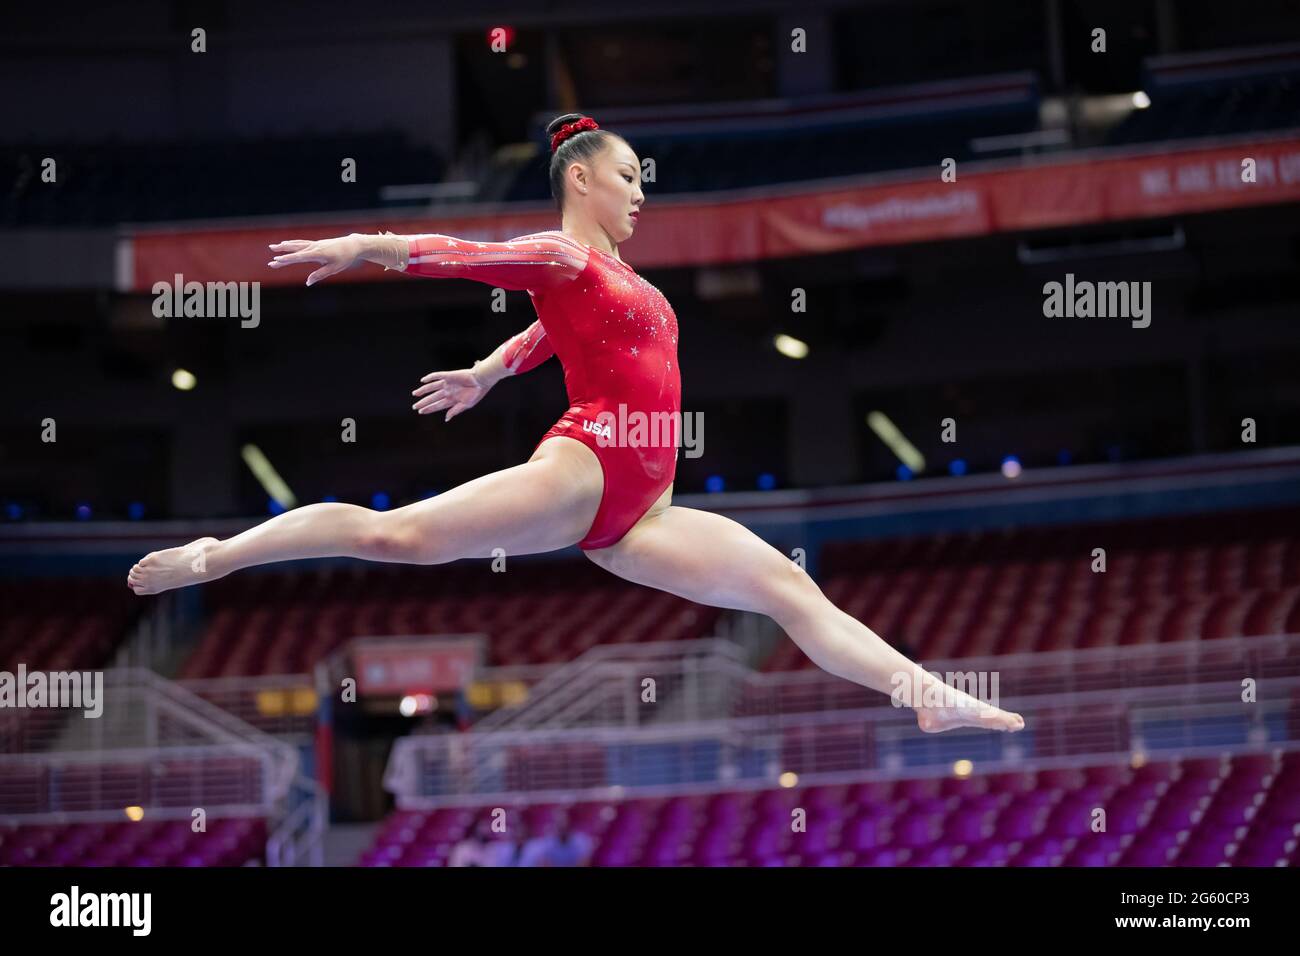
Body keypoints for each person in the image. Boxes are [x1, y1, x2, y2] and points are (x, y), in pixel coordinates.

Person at [126, 113, 1024, 735]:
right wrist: (372, 245)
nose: (641, 196)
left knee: (789, 591)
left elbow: (546, 335)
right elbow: (473, 258)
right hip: (589, 463)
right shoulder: (560, 253)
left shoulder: (612, 280)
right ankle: (219, 554)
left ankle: (923, 691)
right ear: (582, 178)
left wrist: (486, 369)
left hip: (646, 515)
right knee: (394, 535)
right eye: (630, 179)